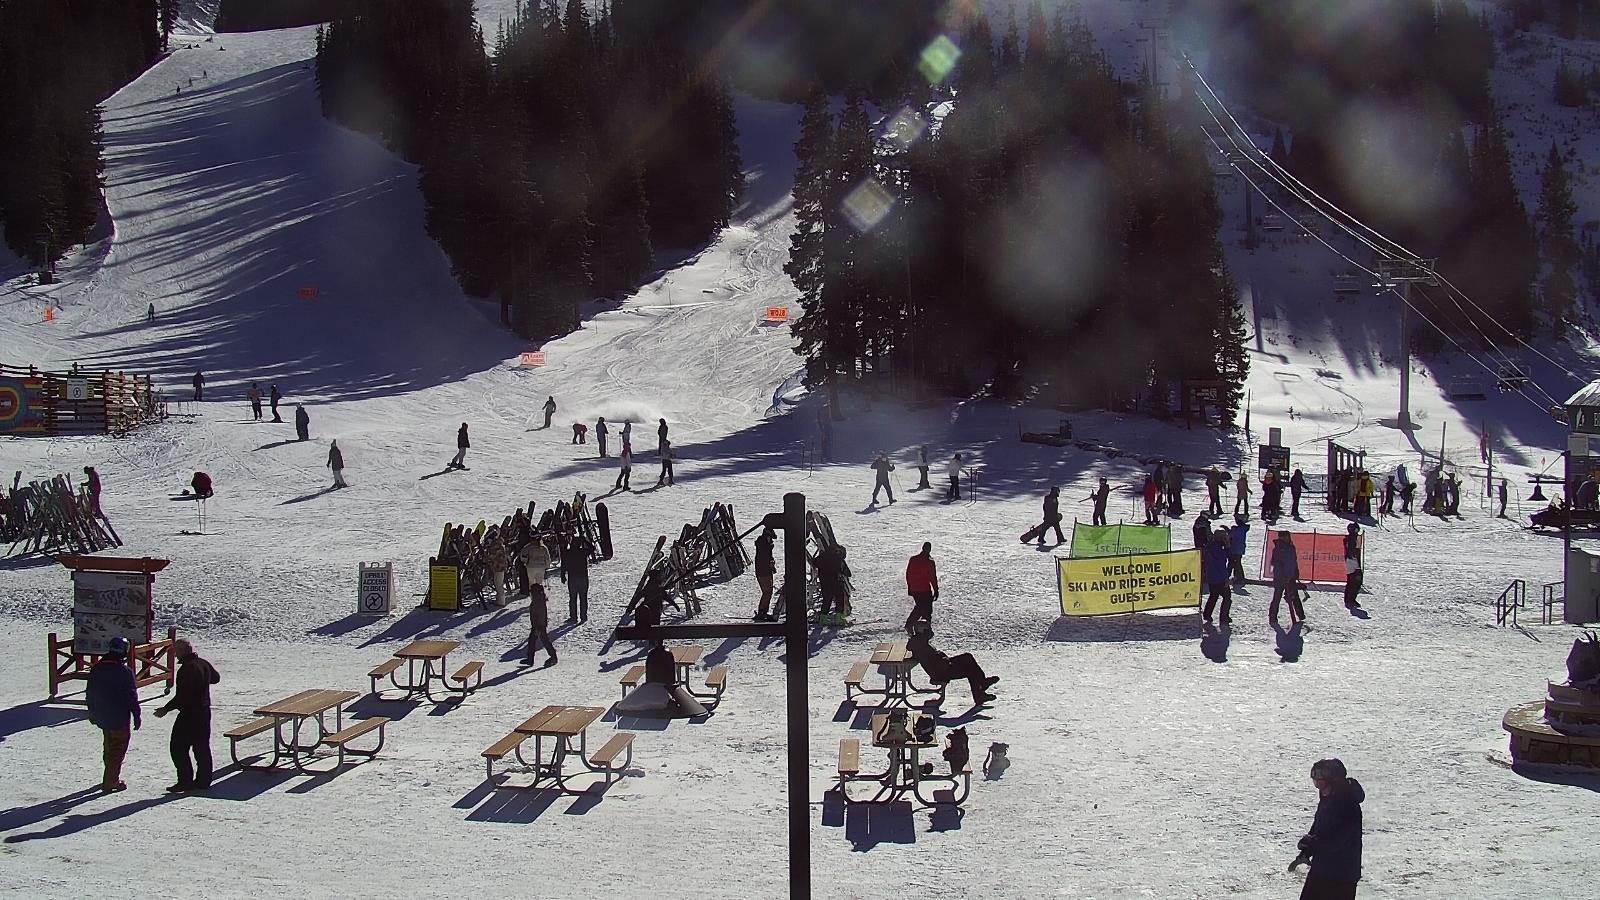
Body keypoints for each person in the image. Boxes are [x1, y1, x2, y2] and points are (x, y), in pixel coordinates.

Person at [1289, 758, 1365, 900]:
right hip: (1322, 868)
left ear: (1332, 779)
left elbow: (1337, 841)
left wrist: (1312, 842)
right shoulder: (1327, 797)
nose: (1316, 783)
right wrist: (1307, 847)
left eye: (1319, 778)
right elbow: (1319, 826)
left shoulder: (1347, 803)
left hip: (1342, 875)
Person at [153, 638, 219, 792]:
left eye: (177, 651)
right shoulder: (203, 663)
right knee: (202, 747)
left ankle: (185, 780)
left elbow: (182, 696)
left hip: (190, 714)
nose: (175, 655)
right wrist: (204, 679)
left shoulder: (186, 669)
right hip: (204, 712)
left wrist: (166, 709)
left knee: (178, 748)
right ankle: (204, 780)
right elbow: (216, 678)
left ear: (183, 651)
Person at [86, 636, 141, 793]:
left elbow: (90, 692)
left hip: (103, 715)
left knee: (109, 747)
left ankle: (109, 775)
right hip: (119, 717)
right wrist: (136, 715)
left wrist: (92, 711)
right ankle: (111, 781)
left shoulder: (97, 668)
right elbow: (131, 696)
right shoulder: (124, 672)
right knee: (117, 749)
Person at [907, 622, 999, 705]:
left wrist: (944, 659)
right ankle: (980, 692)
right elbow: (935, 662)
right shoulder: (921, 644)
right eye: (928, 630)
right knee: (970, 669)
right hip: (941, 672)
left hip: (942, 666)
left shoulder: (920, 641)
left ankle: (982, 685)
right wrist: (946, 661)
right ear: (922, 631)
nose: (930, 632)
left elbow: (933, 658)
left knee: (967, 657)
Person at [1270, 533, 1304, 623]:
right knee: (1277, 596)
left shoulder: (1291, 548)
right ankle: (1272, 617)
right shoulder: (1277, 549)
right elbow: (1275, 564)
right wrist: (1282, 576)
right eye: (1284, 537)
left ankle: (1300, 615)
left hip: (1291, 576)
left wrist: (1296, 573)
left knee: (1294, 596)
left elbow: (1294, 561)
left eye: (1287, 537)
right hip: (1280, 578)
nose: (1286, 538)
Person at [904, 542, 938, 633]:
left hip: (915, 589)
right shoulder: (930, 561)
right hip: (925, 590)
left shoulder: (913, 559)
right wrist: (936, 590)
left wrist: (910, 587)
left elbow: (908, 575)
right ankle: (921, 629)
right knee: (926, 610)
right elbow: (932, 577)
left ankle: (913, 626)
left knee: (920, 607)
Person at [1202, 529, 1233, 626]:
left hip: (1211, 576)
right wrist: (1226, 579)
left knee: (1213, 596)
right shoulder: (1218, 549)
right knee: (1227, 597)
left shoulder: (1210, 546)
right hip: (1219, 577)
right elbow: (1222, 563)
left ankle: (1207, 614)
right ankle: (1224, 617)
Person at [816, 543, 852, 624]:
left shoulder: (824, 556)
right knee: (839, 597)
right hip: (835, 580)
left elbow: (815, 562)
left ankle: (823, 617)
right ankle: (838, 617)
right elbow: (845, 571)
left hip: (824, 581)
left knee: (827, 598)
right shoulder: (837, 557)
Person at [525, 576, 557, 666]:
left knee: (544, 640)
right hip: (537, 624)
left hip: (539, 625)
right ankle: (530, 659)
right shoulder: (538, 600)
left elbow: (541, 615)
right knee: (532, 640)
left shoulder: (538, 602)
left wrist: (538, 627)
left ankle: (553, 656)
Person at [559, 533, 591, 622]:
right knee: (583, 598)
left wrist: (562, 575)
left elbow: (564, 564)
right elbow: (592, 548)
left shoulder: (568, 553)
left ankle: (573, 617)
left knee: (572, 598)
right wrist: (585, 540)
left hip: (572, 578)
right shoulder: (583, 552)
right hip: (583, 577)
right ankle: (583, 616)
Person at [753, 526, 777, 621]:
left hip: (765, 570)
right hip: (763, 571)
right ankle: (762, 611)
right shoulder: (763, 545)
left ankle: (763, 611)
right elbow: (766, 558)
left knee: (768, 591)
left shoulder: (764, 545)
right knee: (767, 591)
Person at [483, 529, 510, 607]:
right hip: (499, 567)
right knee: (498, 584)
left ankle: (501, 602)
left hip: (498, 567)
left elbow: (491, 557)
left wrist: (486, 557)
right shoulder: (498, 545)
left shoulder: (495, 546)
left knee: (499, 585)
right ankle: (499, 600)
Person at [1342, 523, 1363, 610]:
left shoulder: (1351, 538)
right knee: (1354, 580)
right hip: (1352, 561)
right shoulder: (1351, 538)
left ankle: (1350, 599)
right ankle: (1350, 599)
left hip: (1352, 561)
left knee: (1353, 581)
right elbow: (1352, 549)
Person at [1228, 514, 1250, 585]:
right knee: (1236, 563)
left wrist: (1228, 530)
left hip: (1235, 549)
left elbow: (1231, 535)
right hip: (1239, 549)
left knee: (1236, 564)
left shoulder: (1237, 529)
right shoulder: (1243, 528)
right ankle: (1237, 577)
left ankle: (1239, 578)